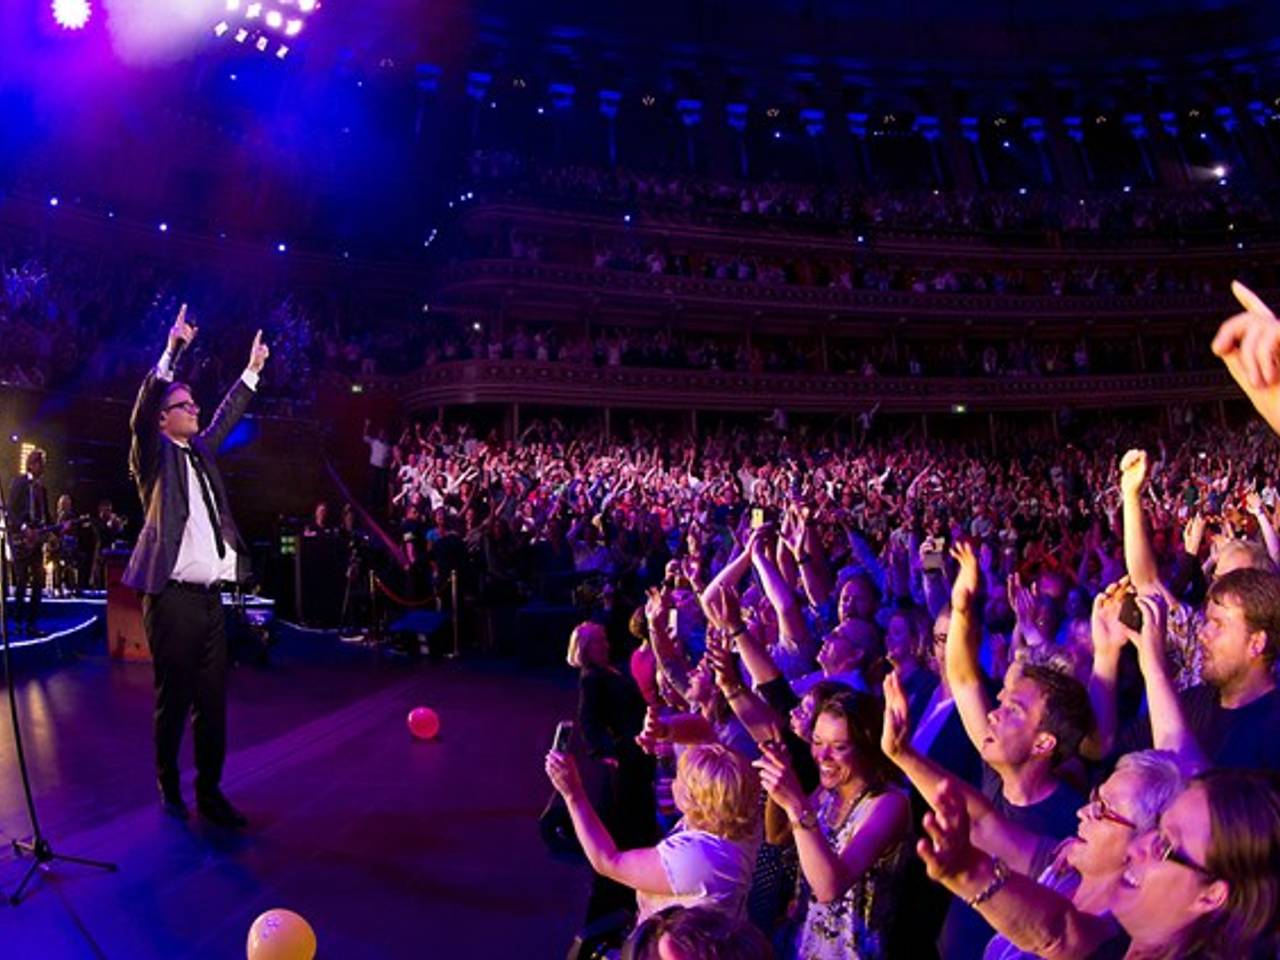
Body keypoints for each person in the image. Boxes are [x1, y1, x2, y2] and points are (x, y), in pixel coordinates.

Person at [122, 303, 269, 828]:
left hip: (210, 601)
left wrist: (251, 370)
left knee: (213, 704)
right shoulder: (152, 454)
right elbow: (142, 410)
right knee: (175, 699)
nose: (195, 408)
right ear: (164, 418)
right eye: (184, 404)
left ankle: (210, 792)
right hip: (171, 596)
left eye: (193, 403)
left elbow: (227, 412)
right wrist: (172, 350)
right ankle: (168, 783)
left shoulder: (201, 451)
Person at [915, 768, 1280, 960]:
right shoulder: (1125, 939)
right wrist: (967, 870)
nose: (1141, 845)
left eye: (1166, 844)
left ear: (1212, 895)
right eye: (1156, 829)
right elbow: (1057, 932)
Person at [754, 689, 911, 959]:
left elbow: (830, 888)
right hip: (805, 945)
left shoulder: (889, 803)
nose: (823, 756)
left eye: (839, 747)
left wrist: (796, 805)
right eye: (817, 741)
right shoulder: (829, 792)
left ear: (867, 746)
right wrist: (779, 783)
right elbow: (778, 837)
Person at [545, 742, 761, 927]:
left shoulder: (697, 858)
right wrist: (666, 729)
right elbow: (706, 740)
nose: (674, 782)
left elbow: (608, 861)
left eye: (680, 778)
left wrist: (573, 793)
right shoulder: (742, 819)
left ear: (695, 799)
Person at [566, 621, 658, 921]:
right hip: (626, 753)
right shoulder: (592, 678)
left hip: (636, 749)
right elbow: (588, 722)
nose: (606, 644)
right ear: (586, 648)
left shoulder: (611, 670)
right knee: (630, 815)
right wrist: (607, 752)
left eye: (605, 639)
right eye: (599, 642)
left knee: (639, 809)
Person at [7, 447, 52, 636]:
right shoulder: (19, 482)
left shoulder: (42, 489)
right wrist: (24, 528)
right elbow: (11, 511)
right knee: (22, 580)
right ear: (32, 464)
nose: (43, 467)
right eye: (40, 463)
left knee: (39, 581)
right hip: (20, 539)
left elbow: (46, 517)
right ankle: (17, 621)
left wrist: (56, 530)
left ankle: (32, 623)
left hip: (36, 541)